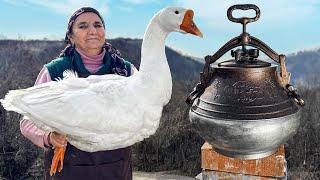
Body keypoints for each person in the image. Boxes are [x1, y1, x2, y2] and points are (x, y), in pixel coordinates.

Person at [20, 7, 137, 180]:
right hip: (68, 169)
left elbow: (143, 110)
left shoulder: (127, 71)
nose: (92, 31)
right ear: (71, 37)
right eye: (83, 26)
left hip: (116, 167)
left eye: (98, 25)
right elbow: (27, 121)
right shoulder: (55, 71)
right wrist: (50, 137)